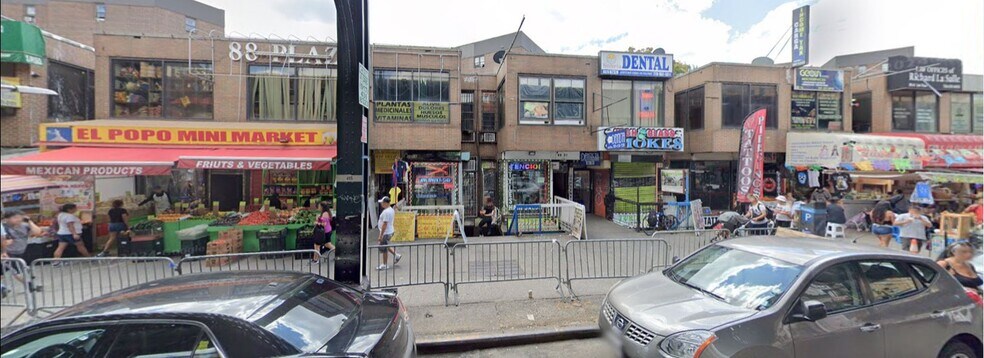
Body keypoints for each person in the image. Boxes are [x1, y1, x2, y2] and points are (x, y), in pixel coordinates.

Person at [1, 210, 43, 291]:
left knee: (12, 271)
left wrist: (29, 221)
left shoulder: (24, 226)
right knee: (17, 271)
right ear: (6, 219)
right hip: (8, 253)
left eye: (20, 217)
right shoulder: (4, 228)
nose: (18, 219)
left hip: (20, 252)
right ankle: (30, 285)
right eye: (15, 217)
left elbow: (37, 232)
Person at [376, 196, 402, 270]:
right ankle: (396, 255)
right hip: (389, 231)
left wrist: (380, 235)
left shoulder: (386, 212)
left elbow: (385, 224)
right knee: (385, 245)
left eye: (382, 202)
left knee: (383, 248)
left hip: (386, 232)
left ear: (385, 203)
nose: (381, 204)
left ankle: (384, 264)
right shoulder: (390, 210)